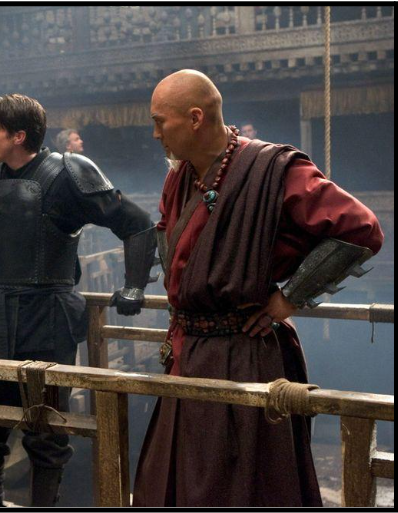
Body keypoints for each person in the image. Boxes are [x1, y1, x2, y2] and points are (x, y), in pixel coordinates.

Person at [134, 69, 383, 507]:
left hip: (246, 353)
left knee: (244, 486)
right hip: (188, 353)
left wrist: (289, 297)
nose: (155, 134)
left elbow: (361, 229)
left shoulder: (273, 169)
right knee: (175, 481)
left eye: (160, 122)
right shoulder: (181, 176)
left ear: (195, 118)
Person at [0, 94, 157, 507]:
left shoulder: (69, 174)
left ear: (19, 136)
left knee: (45, 429)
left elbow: (136, 225)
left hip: (46, 317)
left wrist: (134, 285)